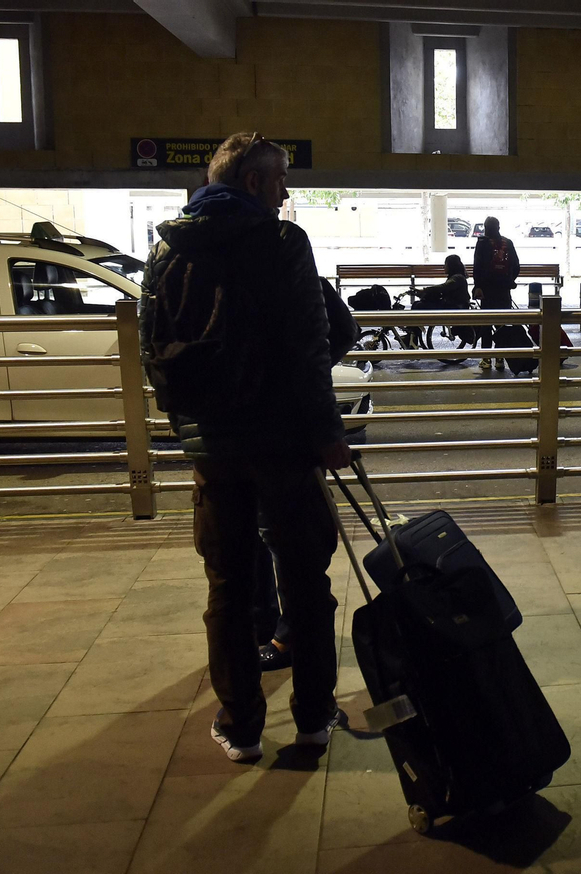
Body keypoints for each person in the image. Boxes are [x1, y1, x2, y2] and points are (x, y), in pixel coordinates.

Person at [142, 131, 350, 763]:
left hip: (212, 448)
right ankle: (313, 719)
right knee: (305, 579)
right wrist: (327, 432)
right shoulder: (282, 243)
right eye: (281, 182)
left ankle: (241, 727)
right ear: (257, 183)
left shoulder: (167, 247)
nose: (286, 194)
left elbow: (155, 352)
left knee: (229, 583)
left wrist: (193, 428)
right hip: (283, 442)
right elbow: (311, 347)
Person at [254, 275, 358, 673]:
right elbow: (344, 328)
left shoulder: (201, 265)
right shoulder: (289, 264)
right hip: (290, 432)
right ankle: (284, 630)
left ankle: (284, 631)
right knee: (288, 539)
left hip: (251, 437)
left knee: (274, 538)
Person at [472, 217, 520, 371]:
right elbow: (516, 265)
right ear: (498, 227)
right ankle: (500, 358)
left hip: (487, 290)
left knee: (486, 323)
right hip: (504, 290)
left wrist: (478, 286)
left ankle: (487, 359)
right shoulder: (508, 243)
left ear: (486, 227)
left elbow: (477, 266)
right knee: (502, 324)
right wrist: (509, 280)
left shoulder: (483, 243)